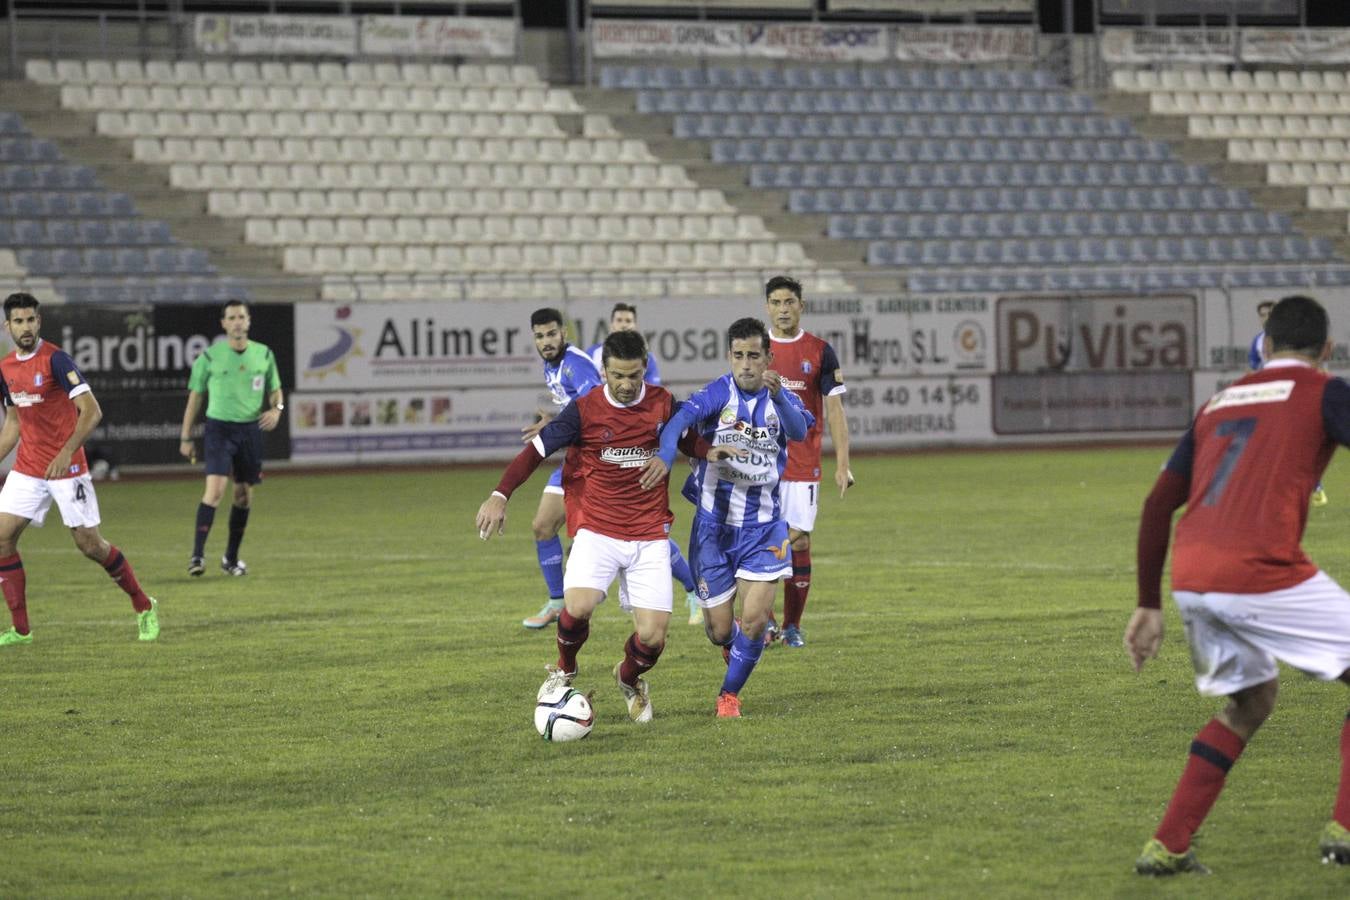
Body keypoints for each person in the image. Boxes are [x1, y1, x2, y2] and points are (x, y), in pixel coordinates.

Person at [1124, 294, 1350, 875]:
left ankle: (1168, 844)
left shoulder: (1217, 403)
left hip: (1194, 578)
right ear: (1326, 351)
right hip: (1259, 569)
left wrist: (1148, 604)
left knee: (1250, 703)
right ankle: (1345, 828)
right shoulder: (1325, 391)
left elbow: (1157, 505)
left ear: (1266, 345)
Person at [476, 330, 737, 722]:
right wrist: (500, 494)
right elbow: (535, 452)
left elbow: (685, 439)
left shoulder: (662, 404)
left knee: (653, 638)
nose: (627, 384)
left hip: (649, 534)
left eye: (634, 375)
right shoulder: (585, 409)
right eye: (618, 375)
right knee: (578, 605)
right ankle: (565, 668)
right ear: (604, 372)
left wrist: (708, 450)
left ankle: (628, 677)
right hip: (598, 528)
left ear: (645, 367)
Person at [644, 317, 811, 718]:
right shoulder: (716, 394)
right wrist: (666, 457)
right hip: (713, 532)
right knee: (719, 630)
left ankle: (728, 695)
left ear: (769, 358)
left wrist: (783, 398)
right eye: (739, 356)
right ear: (729, 357)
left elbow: (800, 432)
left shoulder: (781, 397)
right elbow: (677, 424)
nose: (747, 364)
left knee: (754, 621)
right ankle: (733, 647)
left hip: (765, 528)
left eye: (755, 356)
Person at [0, 292, 158, 645]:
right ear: (7, 326)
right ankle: (21, 629)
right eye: (18, 321)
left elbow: (92, 411)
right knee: (2, 539)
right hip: (28, 469)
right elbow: (14, 423)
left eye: (31, 320)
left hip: (67, 469)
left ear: (38, 321)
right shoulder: (6, 368)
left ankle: (143, 604)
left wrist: (67, 451)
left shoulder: (57, 360)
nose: (26, 327)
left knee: (90, 545)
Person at [587, 301, 703, 626]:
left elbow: (647, 401)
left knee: (647, 534)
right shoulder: (593, 354)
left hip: (635, 452)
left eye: (629, 320)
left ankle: (693, 589)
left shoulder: (643, 360)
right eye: (619, 320)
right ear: (610, 324)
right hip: (600, 451)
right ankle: (567, 597)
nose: (624, 324)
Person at [764, 275, 854, 648]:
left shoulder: (819, 351)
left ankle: (791, 626)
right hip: (762, 464)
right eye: (776, 303)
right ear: (768, 307)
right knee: (762, 539)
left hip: (802, 464)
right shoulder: (756, 348)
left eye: (790, 302)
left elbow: (834, 411)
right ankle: (763, 621)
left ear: (802, 305)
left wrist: (842, 464)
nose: (783, 309)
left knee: (798, 542)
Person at [178, 300, 283, 577]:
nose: (237, 322)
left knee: (244, 497)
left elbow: (276, 390)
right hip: (219, 429)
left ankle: (231, 559)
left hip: (250, 431)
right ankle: (197, 557)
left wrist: (277, 409)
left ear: (248, 321)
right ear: (223, 323)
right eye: (231, 317)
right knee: (215, 492)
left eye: (241, 317)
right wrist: (185, 436)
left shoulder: (264, 354)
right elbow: (195, 398)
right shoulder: (209, 358)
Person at [520, 307, 604, 630]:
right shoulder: (550, 364)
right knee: (543, 526)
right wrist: (555, 423)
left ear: (564, 333)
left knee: (630, 536)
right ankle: (557, 602)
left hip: (596, 464)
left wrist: (558, 428)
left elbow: (598, 412)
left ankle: (693, 590)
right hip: (575, 459)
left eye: (552, 334)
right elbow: (576, 413)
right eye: (540, 336)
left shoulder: (576, 366)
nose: (546, 341)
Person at [1250, 298, 1329, 507]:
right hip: (1270, 397)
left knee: (1297, 441)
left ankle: (1315, 486)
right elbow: (1255, 369)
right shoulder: (1258, 342)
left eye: (1269, 314)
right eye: (1262, 315)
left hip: (1292, 396)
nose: (1265, 318)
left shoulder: (1294, 339)